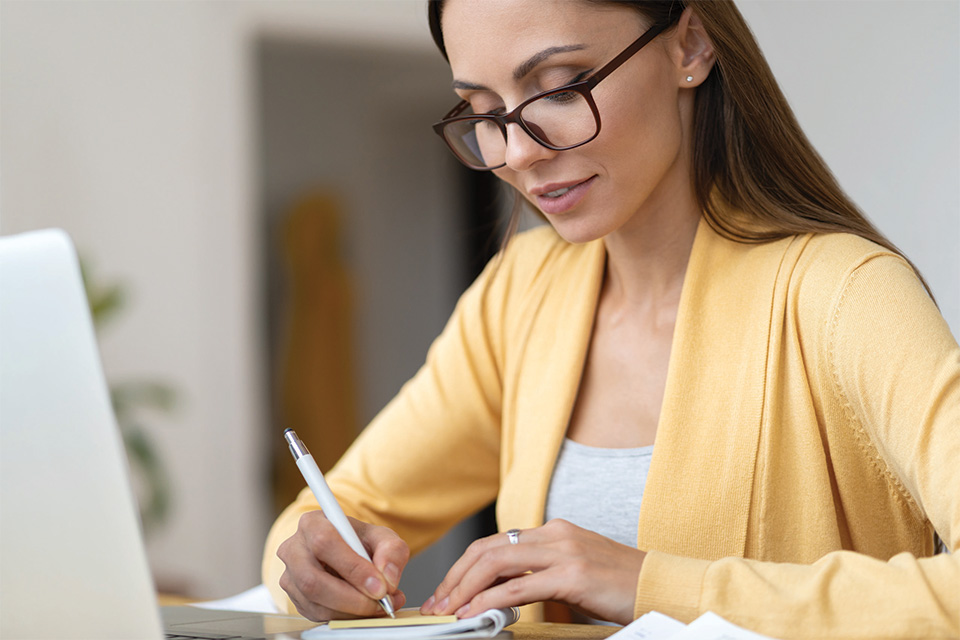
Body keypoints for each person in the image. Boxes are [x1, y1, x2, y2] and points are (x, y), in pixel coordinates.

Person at [262, 1, 960, 637]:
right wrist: (313, 560)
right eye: (483, 109)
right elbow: (326, 512)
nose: (518, 151)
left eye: (561, 86)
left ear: (689, 45)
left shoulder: (845, 293)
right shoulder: (522, 293)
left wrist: (649, 584)